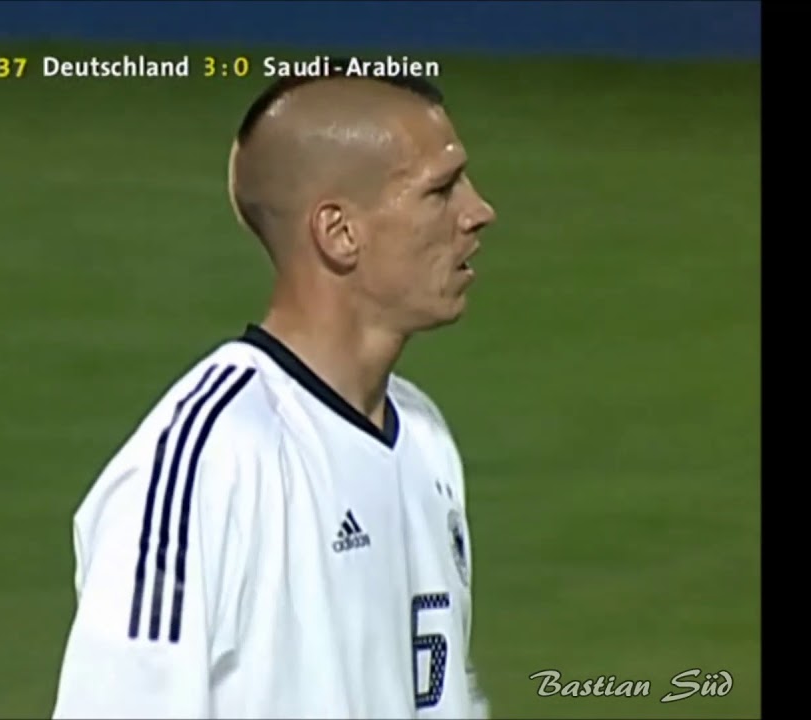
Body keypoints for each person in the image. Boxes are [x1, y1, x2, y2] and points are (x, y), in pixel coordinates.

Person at [51, 68, 497, 719]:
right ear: (339, 232)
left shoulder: (424, 438)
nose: (478, 212)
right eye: (441, 190)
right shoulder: (205, 465)